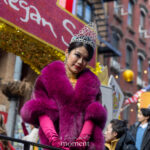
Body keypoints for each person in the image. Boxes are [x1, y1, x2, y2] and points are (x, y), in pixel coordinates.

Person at [20, 23, 107, 150]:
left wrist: (81, 142)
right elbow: (42, 111)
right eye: (77, 55)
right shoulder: (47, 77)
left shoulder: (93, 84)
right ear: (67, 52)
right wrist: (55, 141)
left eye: (85, 59)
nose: (80, 62)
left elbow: (93, 116)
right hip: (51, 146)